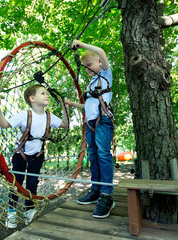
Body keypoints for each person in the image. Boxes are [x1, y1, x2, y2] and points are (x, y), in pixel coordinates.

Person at [0, 84, 69, 228]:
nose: (47, 95)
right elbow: (4, 124)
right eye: (43, 93)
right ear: (33, 98)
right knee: (16, 183)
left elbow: (65, 125)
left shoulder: (49, 116)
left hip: (37, 155)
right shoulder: (25, 115)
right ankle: (11, 211)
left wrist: (65, 107)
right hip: (20, 155)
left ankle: (29, 210)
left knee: (32, 183)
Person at [65, 40, 115, 219]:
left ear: (99, 63)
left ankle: (107, 194)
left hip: (103, 123)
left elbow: (101, 50)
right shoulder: (91, 84)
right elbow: (89, 106)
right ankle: (96, 189)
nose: (87, 68)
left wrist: (82, 45)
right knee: (92, 156)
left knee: (103, 154)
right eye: (85, 66)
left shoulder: (105, 75)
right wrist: (73, 104)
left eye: (89, 64)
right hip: (91, 124)